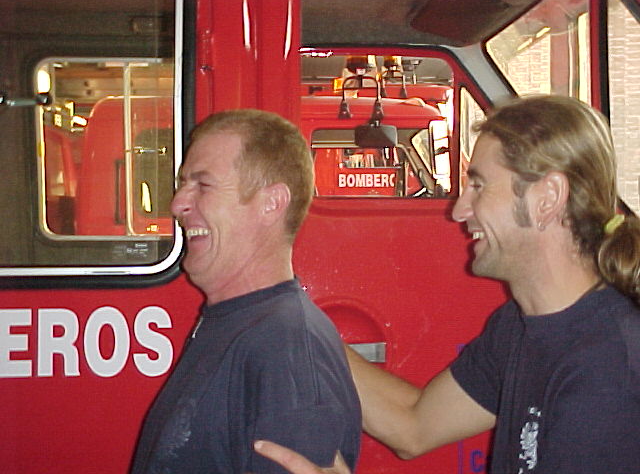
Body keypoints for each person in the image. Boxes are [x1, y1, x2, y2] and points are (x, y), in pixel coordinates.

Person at [254, 95, 640, 473]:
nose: (459, 210)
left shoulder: (610, 368)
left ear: (547, 198)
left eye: (479, 186)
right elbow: (415, 426)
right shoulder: (518, 325)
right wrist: (292, 321)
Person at [130, 109, 361, 474]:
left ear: (271, 203)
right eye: (183, 184)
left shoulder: (286, 350)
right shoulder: (238, 323)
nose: (177, 204)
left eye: (202, 185)